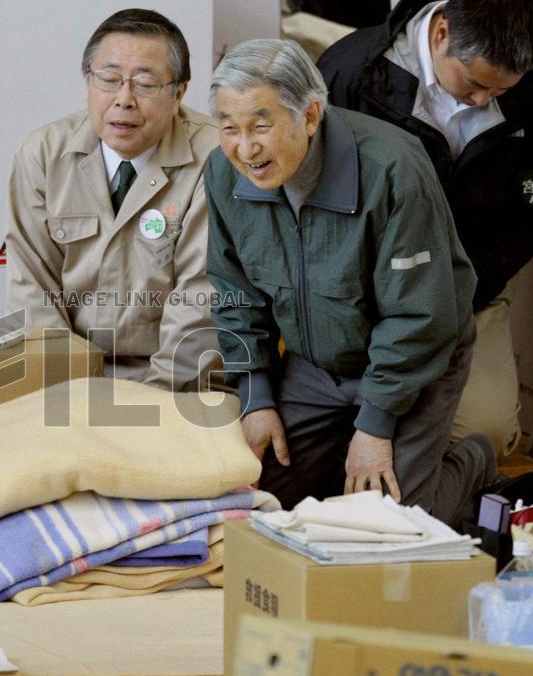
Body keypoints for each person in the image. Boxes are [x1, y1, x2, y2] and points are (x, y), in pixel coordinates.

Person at [206, 39, 497, 525]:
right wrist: (255, 396)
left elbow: (421, 317)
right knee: (258, 501)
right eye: (229, 128)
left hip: (414, 361)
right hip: (314, 366)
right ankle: (344, 446)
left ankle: (473, 461)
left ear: (311, 116)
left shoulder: (394, 168)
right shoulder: (224, 173)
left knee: (396, 520)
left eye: (261, 125)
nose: (245, 147)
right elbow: (235, 291)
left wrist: (376, 423)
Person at [318, 0, 533, 457]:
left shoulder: (532, 96)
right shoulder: (350, 72)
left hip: (471, 286)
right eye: (474, 84)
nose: (482, 101)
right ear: (441, 32)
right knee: (352, 424)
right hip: (362, 285)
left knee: (485, 436)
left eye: (499, 91)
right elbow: (318, 202)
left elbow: (525, 217)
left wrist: (462, 287)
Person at [6, 8, 219, 391]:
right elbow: (30, 286)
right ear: (89, 81)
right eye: (109, 80)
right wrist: (64, 391)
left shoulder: (214, 157)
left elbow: (199, 301)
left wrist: (153, 406)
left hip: (180, 379)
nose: (124, 99)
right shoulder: (43, 154)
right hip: (71, 374)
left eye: (145, 84)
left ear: (179, 93)